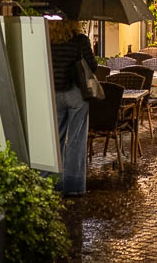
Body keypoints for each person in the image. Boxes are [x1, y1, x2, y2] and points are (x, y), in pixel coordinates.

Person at [49, 18, 96, 196]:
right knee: (76, 139)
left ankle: (55, 183)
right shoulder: (80, 40)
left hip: (54, 92)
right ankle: (74, 186)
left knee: (57, 139)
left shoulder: (48, 41)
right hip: (76, 93)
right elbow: (92, 66)